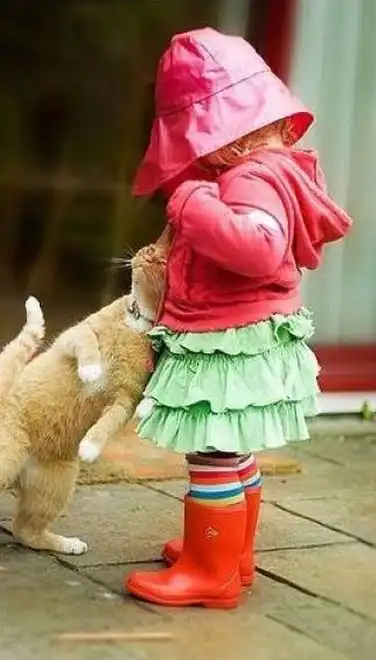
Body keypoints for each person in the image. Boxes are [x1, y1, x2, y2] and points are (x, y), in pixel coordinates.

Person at [125, 27, 352, 609]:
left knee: (211, 453)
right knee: (231, 451)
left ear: (222, 138)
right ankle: (231, 555)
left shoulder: (250, 177)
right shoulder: (270, 172)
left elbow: (258, 248)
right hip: (244, 336)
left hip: (228, 340)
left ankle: (212, 571)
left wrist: (191, 201)